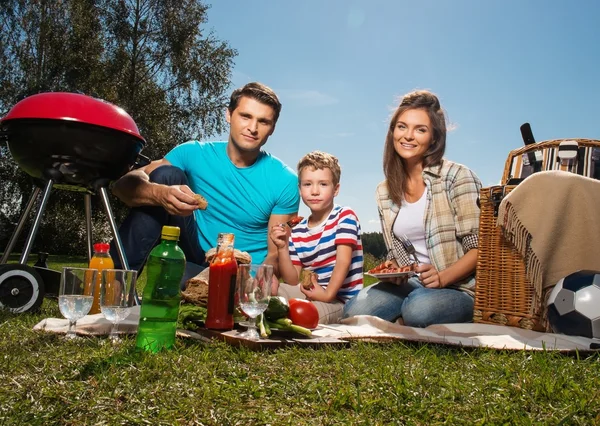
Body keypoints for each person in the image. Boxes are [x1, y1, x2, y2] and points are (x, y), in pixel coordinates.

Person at [110, 82, 300, 279]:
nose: (252, 128)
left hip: (241, 273)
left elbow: (275, 254)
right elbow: (122, 186)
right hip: (195, 255)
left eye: (263, 121)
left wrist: (254, 286)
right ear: (229, 115)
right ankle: (114, 282)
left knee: (183, 280)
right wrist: (160, 194)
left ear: (272, 128)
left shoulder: (285, 181)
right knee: (166, 175)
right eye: (245, 116)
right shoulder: (192, 153)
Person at [342, 90, 482, 327]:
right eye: (402, 127)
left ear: (434, 138)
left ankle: (409, 313)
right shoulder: (384, 191)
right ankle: (404, 312)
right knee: (354, 310)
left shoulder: (457, 176)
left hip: (458, 287)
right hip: (411, 283)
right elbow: (396, 252)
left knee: (418, 310)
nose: (408, 136)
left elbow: (479, 249)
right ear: (393, 132)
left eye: (420, 129)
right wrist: (394, 270)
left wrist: (441, 277)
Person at [270, 151, 363, 324]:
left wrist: (327, 294)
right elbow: (292, 280)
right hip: (312, 292)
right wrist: (282, 247)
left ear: (336, 189)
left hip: (341, 301)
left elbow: (343, 262)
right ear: (299, 189)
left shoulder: (345, 217)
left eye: (323, 184)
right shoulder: (297, 231)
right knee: (270, 293)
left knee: (303, 315)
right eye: (307, 184)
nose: (314, 191)